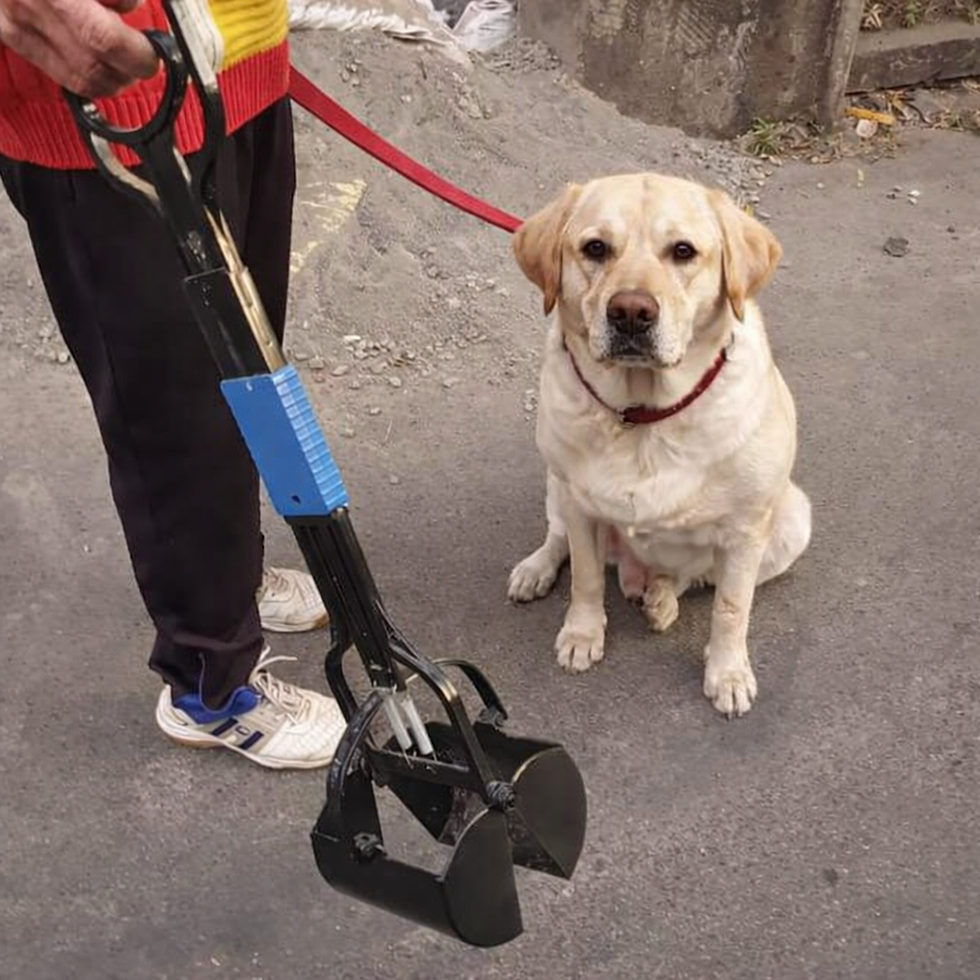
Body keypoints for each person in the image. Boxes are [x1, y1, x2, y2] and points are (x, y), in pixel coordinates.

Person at [0, 0, 348, 769]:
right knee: (172, 410)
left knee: (244, 373)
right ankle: (208, 680)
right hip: (101, 92)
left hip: (238, 57)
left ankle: (230, 582)